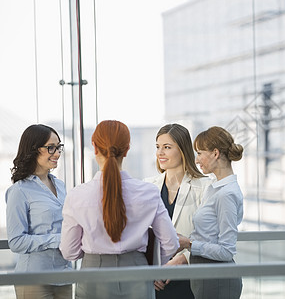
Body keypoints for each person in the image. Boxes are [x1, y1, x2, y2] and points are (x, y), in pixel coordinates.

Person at [59, 120, 179, 299]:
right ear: (127, 149)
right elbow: (171, 243)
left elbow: (69, 252)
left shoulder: (77, 195)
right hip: (138, 273)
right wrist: (153, 269)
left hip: (93, 274)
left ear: (94, 147)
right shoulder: (148, 192)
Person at [6, 124, 72, 299]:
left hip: (65, 276)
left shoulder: (60, 185)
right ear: (33, 149)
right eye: (51, 148)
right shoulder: (19, 191)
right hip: (34, 279)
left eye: (59, 147)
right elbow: (16, 241)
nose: (57, 153)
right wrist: (57, 239)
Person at [144, 123, 210, 299]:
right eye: (158, 147)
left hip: (190, 279)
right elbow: (140, 234)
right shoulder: (148, 186)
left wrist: (183, 259)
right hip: (155, 281)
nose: (160, 153)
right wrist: (150, 270)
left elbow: (210, 236)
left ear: (182, 150)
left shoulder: (204, 186)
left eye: (167, 147)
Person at [177, 126, 244, 299]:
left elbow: (227, 251)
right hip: (205, 273)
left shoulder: (226, 194)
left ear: (215, 153)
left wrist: (189, 244)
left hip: (217, 277)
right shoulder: (214, 189)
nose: (197, 160)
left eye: (199, 153)